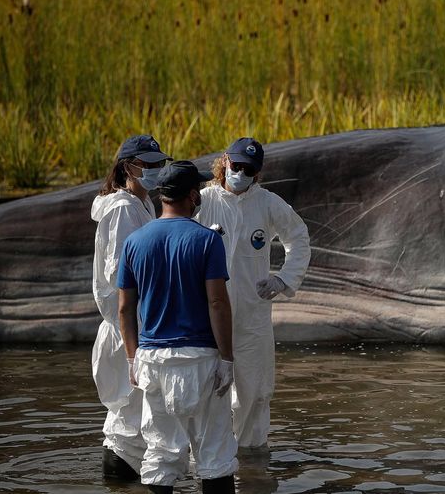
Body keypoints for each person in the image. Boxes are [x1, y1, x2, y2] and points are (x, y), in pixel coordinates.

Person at [117, 161, 239, 494]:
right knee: (215, 452)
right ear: (190, 194)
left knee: (159, 452)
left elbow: (125, 308)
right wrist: (227, 358)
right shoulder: (207, 240)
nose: (200, 193)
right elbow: (217, 303)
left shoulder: (135, 243)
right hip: (200, 357)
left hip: (152, 357)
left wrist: (132, 359)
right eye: (197, 189)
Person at [195, 137, 310, 450]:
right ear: (224, 162)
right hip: (207, 315)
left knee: (256, 393)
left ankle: (251, 464)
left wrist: (283, 279)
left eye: (249, 169)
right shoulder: (204, 201)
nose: (241, 173)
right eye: (237, 165)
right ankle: (207, 463)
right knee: (207, 390)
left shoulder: (267, 203)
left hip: (252, 315)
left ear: (257, 173)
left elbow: (298, 238)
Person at [91, 134, 170, 480]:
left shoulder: (144, 204)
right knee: (128, 413)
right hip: (126, 323)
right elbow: (119, 272)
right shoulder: (123, 209)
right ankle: (118, 481)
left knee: (136, 411)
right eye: (147, 164)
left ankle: (124, 481)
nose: (154, 170)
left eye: (158, 164)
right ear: (128, 167)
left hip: (138, 319)